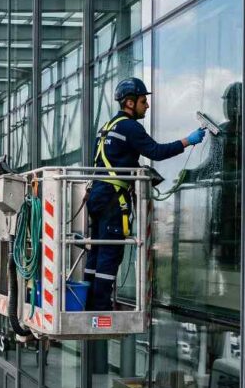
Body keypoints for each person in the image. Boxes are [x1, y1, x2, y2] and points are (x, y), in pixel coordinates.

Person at [85, 77, 205, 311]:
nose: (147, 106)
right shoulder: (130, 127)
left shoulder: (107, 127)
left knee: (96, 250)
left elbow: (105, 160)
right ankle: (99, 307)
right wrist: (188, 141)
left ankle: (87, 300)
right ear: (129, 103)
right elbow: (156, 151)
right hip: (112, 198)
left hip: (98, 195)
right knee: (110, 253)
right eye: (143, 101)